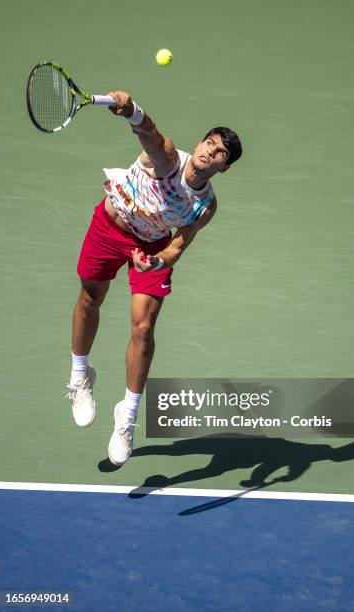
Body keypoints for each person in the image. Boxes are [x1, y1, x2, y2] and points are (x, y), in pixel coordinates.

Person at [66, 90, 242, 466]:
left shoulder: (205, 205)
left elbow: (178, 246)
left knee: (143, 328)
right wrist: (132, 111)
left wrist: (158, 263)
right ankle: (80, 376)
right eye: (208, 143)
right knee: (89, 300)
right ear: (199, 144)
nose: (210, 151)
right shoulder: (166, 157)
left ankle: (126, 417)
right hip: (110, 226)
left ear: (223, 168)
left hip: (151, 245)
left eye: (220, 153)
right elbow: (150, 132)